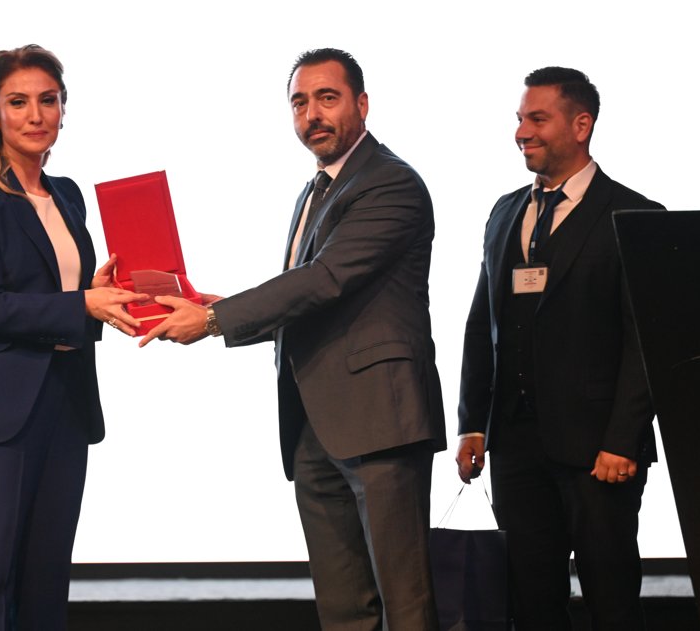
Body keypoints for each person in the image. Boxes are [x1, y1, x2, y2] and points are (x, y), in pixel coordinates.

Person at [141, 48, 445, 630]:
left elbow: (324, 280)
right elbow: (305, 298)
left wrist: (214, 320)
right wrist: (216, 306)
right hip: (314, 427)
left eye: (327, 98)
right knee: (344, 611)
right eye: (300, 103)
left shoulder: (391, 183)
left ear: (362, 104)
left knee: (406, 608)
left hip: (380, 424)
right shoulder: (315, 191)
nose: (312, 115)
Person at [0, 44, 145, 630]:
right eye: (18, 102)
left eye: (47, 101)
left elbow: (61, 292)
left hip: (65, 403)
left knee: (46, 580)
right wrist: (81, 304)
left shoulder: (67, 194)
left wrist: (97, 295)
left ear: (63, 110)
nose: (35, 115)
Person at [455, 67, 662, 630]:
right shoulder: (504, 213)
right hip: (515, 446)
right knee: (530, 603)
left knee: (611, 601)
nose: (521, 131)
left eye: (537, 119)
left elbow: (645, 345)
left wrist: (622, 440)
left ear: (581, 125)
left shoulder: (634, 214)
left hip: (600, 454)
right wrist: (473, 423)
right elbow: (482, 323)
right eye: (520, 119)